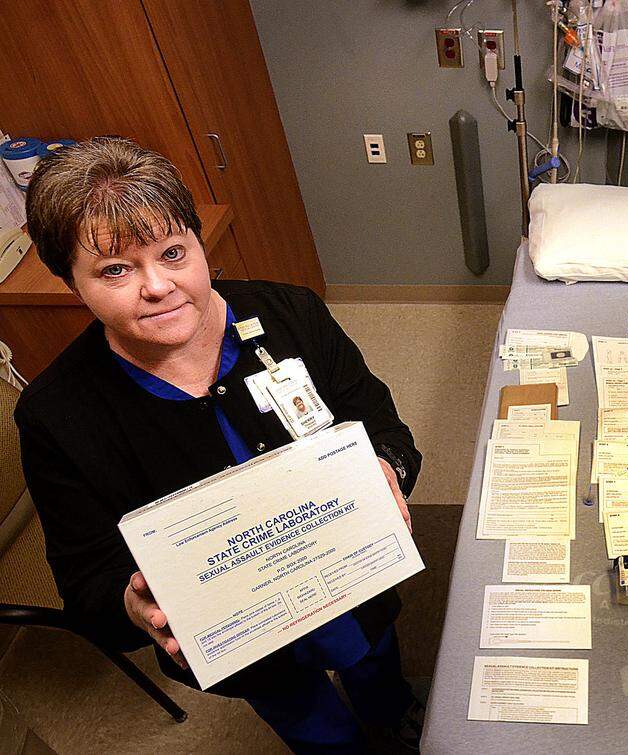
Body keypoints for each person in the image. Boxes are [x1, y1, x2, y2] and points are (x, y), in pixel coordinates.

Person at [16, 137, 424, 752]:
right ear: (72, 283)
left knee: (377, 669)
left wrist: (387, 468)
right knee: (313, 724)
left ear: (199, 244)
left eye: (172, 252)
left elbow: (384, 429)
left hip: (350, 576)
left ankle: (392, 712)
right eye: (115, 269)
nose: (158, 286)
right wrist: (133, 604)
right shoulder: (57, 413)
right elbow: (87, 581)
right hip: (242, 636)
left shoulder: (290, 315)